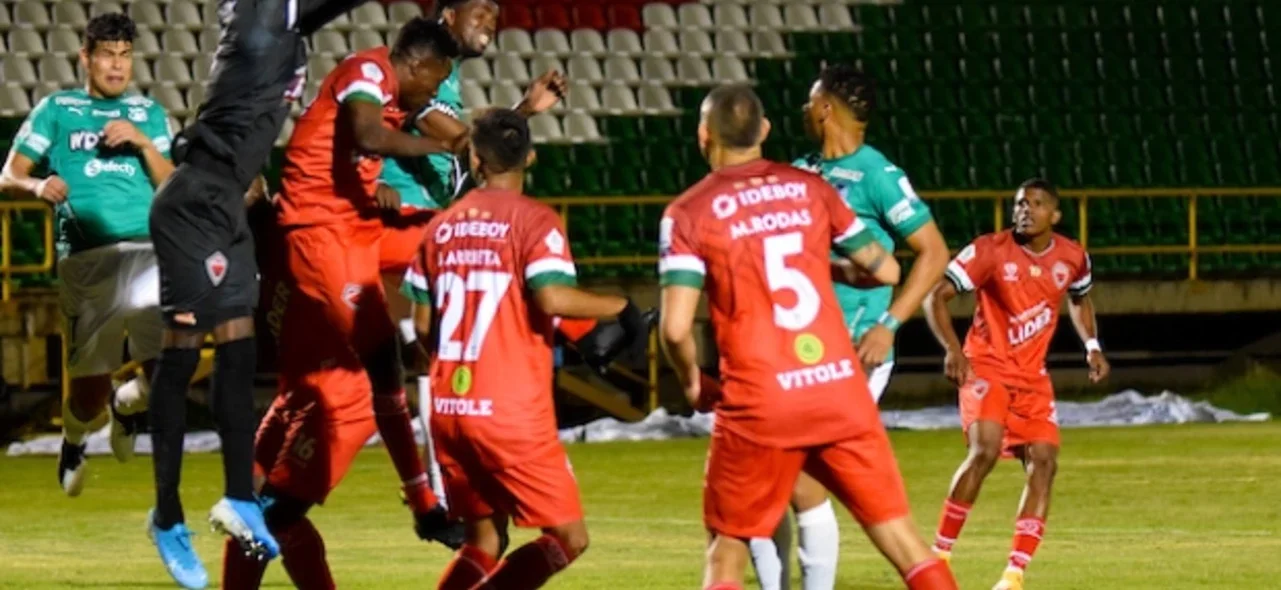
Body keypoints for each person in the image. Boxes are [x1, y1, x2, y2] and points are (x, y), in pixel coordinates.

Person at [658, 84, 958, 590]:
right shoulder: (810, 186)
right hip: (836, 385)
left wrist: (690, 381)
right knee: (906, 545)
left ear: (703, 135)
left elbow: (673, 327)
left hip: (760, 395)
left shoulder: (689, 211)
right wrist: (828, 267)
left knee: (725, 551)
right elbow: (884, 270)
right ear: (765, 131)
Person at [222, 17, 465, 590]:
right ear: (414, 63)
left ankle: (425, 503)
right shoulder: (367, 73)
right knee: (362, 385)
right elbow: (365, 132)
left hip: (344, 233)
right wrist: (447, 143)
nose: (434, 92)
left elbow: (381, 136)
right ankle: (424, 501)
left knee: (442, 242)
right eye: (434, 81)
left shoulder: (274, 239)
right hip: (324, 237)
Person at [143, 0, 378, 587]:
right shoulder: (259, 18)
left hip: (224, 206)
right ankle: (167, 515)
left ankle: (234, 497)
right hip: (194, 203)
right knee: (182, 354)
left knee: (237, 352)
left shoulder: (277, 27)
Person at [401, 108, 649, 590]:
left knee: (485, 540)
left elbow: (422, 324)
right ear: (530, 157)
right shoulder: (537, 221)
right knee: (568, 538)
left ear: (474, 158)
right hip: (509, 413)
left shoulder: (441, 228)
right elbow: (552, 297)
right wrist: (621, 307)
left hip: (450, 406)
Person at [751, 65, 952, 590]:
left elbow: (933, 252)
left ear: (825, 108)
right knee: (780, 481)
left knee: (800, 480)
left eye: (808, 101)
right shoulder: (800, 171)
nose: (801, 110)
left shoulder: (878, 175)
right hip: (795, 353)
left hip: (852, 354)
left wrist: (889, 324)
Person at [0, 12, 173, 495]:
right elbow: (8, 174)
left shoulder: (148, 114)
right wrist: (36, 184)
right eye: (106, 56)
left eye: (124, 56)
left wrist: (141, 143)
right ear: (85, 58)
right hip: (86, 260)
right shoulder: (58, 109)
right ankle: (76, 438)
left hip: (149, 253)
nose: (117, 67)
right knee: (86, 396)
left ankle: (128, 404)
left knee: (170, 374)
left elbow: (170, 182)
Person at [923, 179, 1109, 590]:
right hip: (986, 368)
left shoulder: (1072, 256)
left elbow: (1079, 298)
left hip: (1032, 377)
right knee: (985, 451)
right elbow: (934, 297)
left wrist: (1092, 346)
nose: (1025, 210)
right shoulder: (989, 250)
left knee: (1044, 463)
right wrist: (954, 350)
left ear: (1054, 215)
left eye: (1036, 204)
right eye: (1020, 203)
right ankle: (938, 556)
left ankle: (1013, 575)